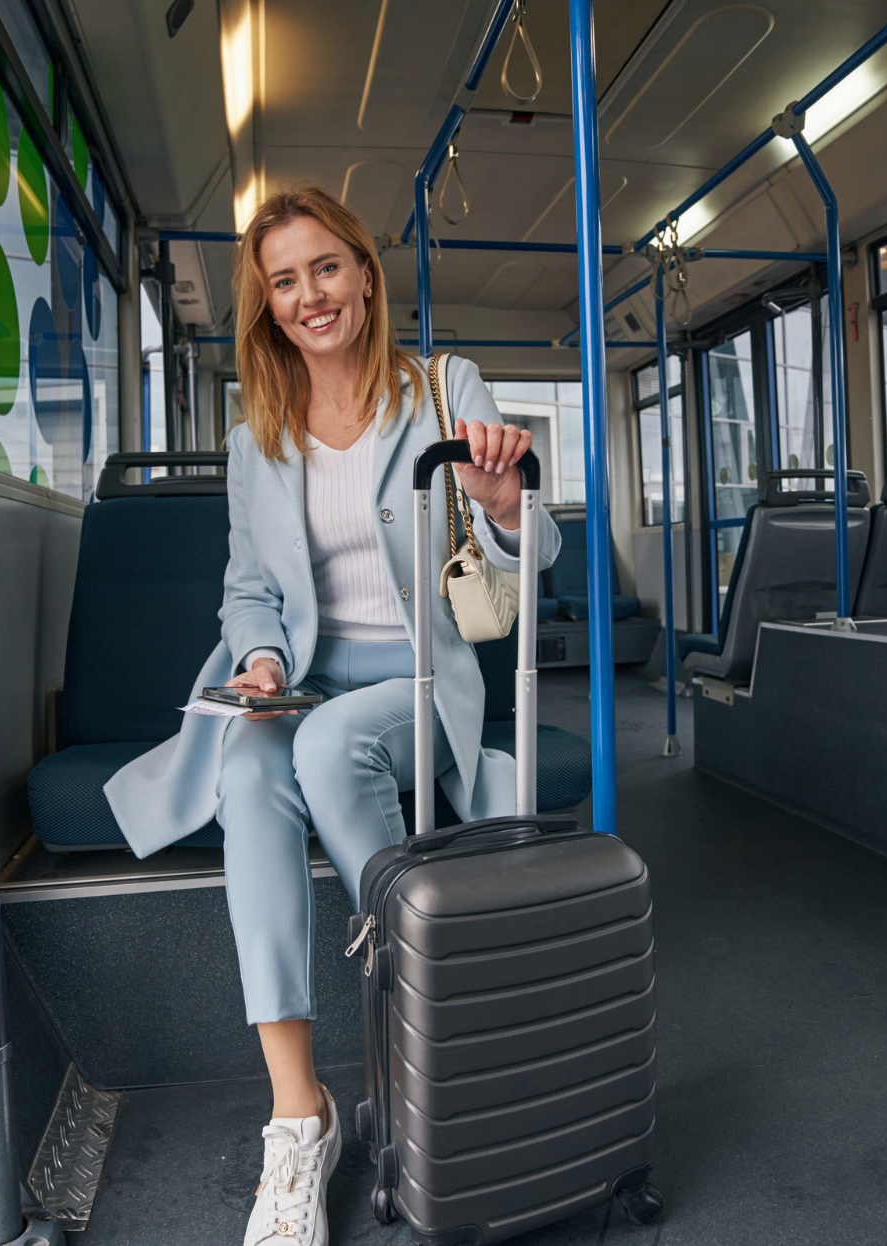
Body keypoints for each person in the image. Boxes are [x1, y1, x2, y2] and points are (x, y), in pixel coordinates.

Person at [105, 186, 559, 1245]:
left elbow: (529, 559)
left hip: (418, 673)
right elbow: (247, 587)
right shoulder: (254, 435)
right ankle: (298, 1115)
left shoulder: (444, 390)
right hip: (305, 674)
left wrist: (502, 506)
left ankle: (433, 1009)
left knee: (316, 742)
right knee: (250, 774)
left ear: (362, 272)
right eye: (283, 279)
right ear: (265, 302)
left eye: (325, 268)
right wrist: (260, 655)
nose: (309, 294)